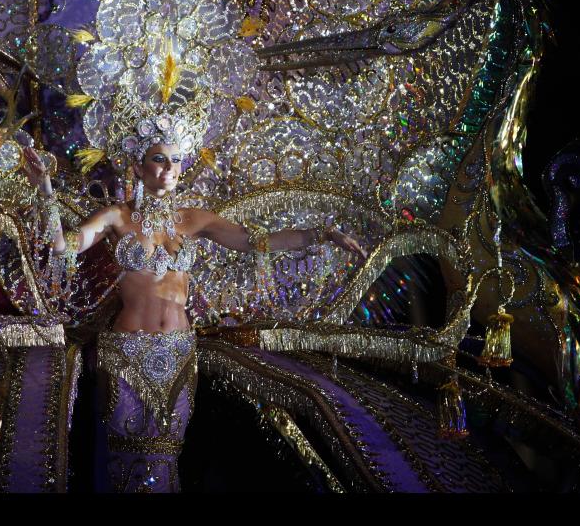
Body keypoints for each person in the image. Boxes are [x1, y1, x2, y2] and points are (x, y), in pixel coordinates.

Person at [20, 139, 367, 492]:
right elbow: (64, 248)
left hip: (179, 353)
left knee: (167, 453)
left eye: (176, 160)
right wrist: (45, 190)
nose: (169, 168)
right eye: (158, 159)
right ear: (138, 168)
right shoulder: (117, 217)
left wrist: (322, 234)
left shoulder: (192, 220)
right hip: (127, 352)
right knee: (125, 452)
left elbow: (257, 241)